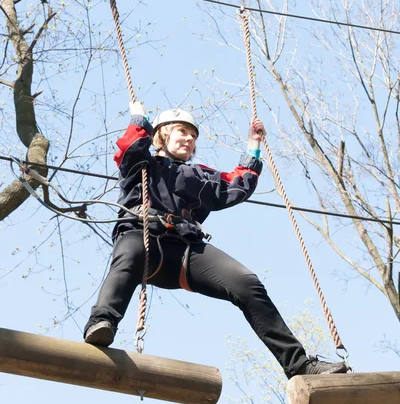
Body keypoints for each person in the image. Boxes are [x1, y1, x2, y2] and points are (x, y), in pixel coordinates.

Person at [84, 104, 348, 378]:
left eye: (193, 136)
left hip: (185, 249)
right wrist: (140, 120)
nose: (190, 139)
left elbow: (236, 184)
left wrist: (253, 146)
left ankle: (298, 364)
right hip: (143, 234)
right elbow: (129, 148)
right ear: (161, 135)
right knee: (130, 254)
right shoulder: (142, 164)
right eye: (182, 132)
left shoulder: (198, 176)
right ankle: (102, 322)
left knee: (247, 284)